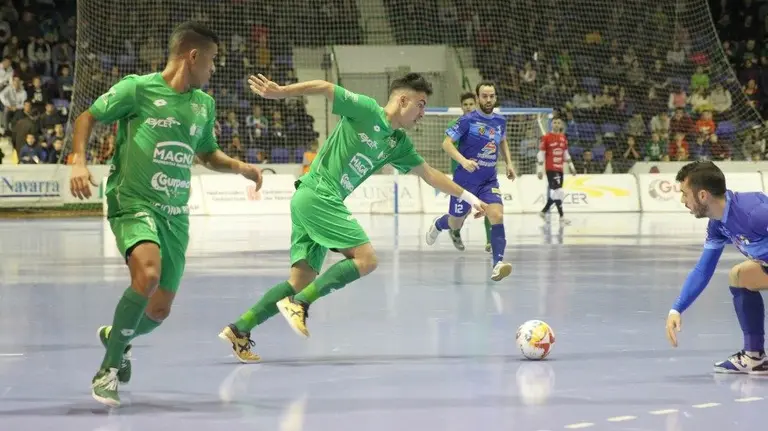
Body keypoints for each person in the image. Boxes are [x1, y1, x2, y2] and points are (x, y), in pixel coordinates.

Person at [218, 72, 488, 362]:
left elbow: (430, 175)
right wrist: (280, 92)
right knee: (366, 259)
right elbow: (324, 87)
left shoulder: (398, 143)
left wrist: (471, 198)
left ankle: (240, 329)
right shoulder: (367, 109)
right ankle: (300, 305)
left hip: (309, 199)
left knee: (299, 280)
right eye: (420, 105)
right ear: (403, 99)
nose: (423, 113)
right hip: (319, 194)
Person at [69, 21, 263, 407]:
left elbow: (207, 154)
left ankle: (116, 336)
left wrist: (239, 165)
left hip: (176, 215)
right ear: (192, 56)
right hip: (134, 201)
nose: (213, 70)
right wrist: (78, 159)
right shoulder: (137, 89)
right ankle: (108, 370)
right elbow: (86, 117)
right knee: (149, 275)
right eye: (211, 62)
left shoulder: (202, 105)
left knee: (158, 311)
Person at [666, 161, 768, 374]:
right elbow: (704, 269)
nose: (683, 200)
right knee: (740, 276)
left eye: (685, 194)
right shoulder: (718, 224)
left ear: (702, 195)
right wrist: (677, 308)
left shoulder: (755, 213)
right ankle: (754, 357)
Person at [425, 81, 516, 281]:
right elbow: (446, 144)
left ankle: (497, 264)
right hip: (464, 182)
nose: (489, 100)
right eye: (484, 96)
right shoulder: (467, 120)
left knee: (497, 215)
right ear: (477, 98)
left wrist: (508, 163)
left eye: (492, 96)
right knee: (456, 223)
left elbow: (502, 141)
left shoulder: (500, 120)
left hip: (488, 181)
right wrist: (463, 161)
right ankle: (439, 225)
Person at [445, 91, 493, 252]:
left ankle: (489, 241)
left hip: (482, 175)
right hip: (463, 176)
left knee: (489, 205)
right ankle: (455, 231)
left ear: (476, 105)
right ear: (461, 107)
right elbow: (449, 146)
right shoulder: (456, 124)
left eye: (471, 104)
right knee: (462, 213)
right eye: (465, 105)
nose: (468, 107)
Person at [537, 117, 575, 224]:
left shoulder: (563, 137)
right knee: (558, 191)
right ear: (551, 124)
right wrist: (540, 170)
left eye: (559, 123)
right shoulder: (547, 137)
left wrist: (572, 167)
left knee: (557, 193)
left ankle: (543, 211)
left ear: (561, 125)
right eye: (554, 122)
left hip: (560, 169)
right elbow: (541, 154)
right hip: (551, 169)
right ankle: (562, 217)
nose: (557, 124)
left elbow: (566, 153)